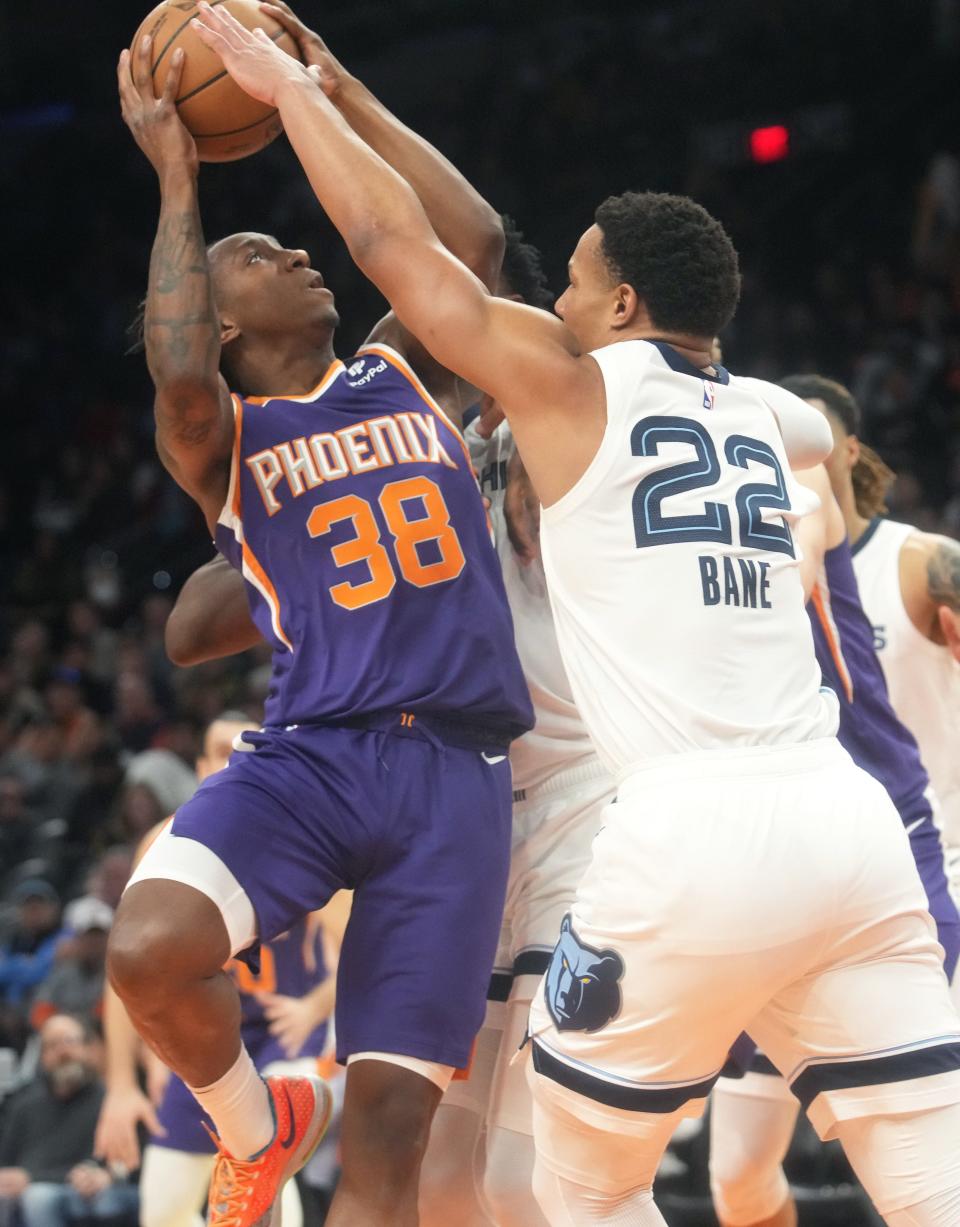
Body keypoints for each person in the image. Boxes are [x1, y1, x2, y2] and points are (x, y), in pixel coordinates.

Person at [189, 13, 960, 1224]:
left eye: (576, 285)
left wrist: (297, 90)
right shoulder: (754, 409)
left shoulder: (560, 388)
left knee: (549, 1187)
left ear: (619, 306)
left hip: (630, 821)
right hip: (788, 820)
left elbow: (411, 242)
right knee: (918, 1183)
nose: (552, 301)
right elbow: (816, 434)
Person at [111, 8, 532, 1227]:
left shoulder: (407, 369)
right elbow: (178, 370)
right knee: (148, 949)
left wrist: (325, 86)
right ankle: (259, 1127)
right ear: (226, 320)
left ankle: (302, 1130)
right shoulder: (226, 439)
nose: (295, 251)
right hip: (314, 754)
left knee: (390, 1147)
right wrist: (181, 179)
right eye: (258, 251)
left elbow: (476, 242)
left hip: (458, 772)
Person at [709, 458, 960, 1227]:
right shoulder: (723, 577)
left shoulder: (916, 562)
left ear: (842, 456)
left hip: (925, 862)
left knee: (917, 1160)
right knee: (738, 1178)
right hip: (786, 875)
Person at [95, 714, 337, 1227]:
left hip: (284, 1035)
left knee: (273, 1172)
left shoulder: (304, 831)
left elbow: (364, 946)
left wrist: (312, 1007)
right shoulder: (166, 840)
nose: (235, 756)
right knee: (160, 1205)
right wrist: (125, 1077)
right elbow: (127, 972)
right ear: (202, 765)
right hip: (207, 1035)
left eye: (246, 744)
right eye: (222, 749)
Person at [782, 374, 960, 896]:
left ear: (851, 450)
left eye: (815, 440)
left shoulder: (922, 562)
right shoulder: (766, 581)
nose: (800, 454)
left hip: (941, 844)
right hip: (835, 861)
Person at [0, 1014, 138, 1227]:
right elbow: (6, 1160)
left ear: (89, 1049)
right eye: (53, 1045)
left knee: (38, 1198)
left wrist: (108, 1175)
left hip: (84, 1189)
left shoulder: (109, 1102)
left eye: (70, 1041)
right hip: (29, 1187)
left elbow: (125, 1164)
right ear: (43, 1056)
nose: (63, 1051)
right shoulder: (24, 1105)